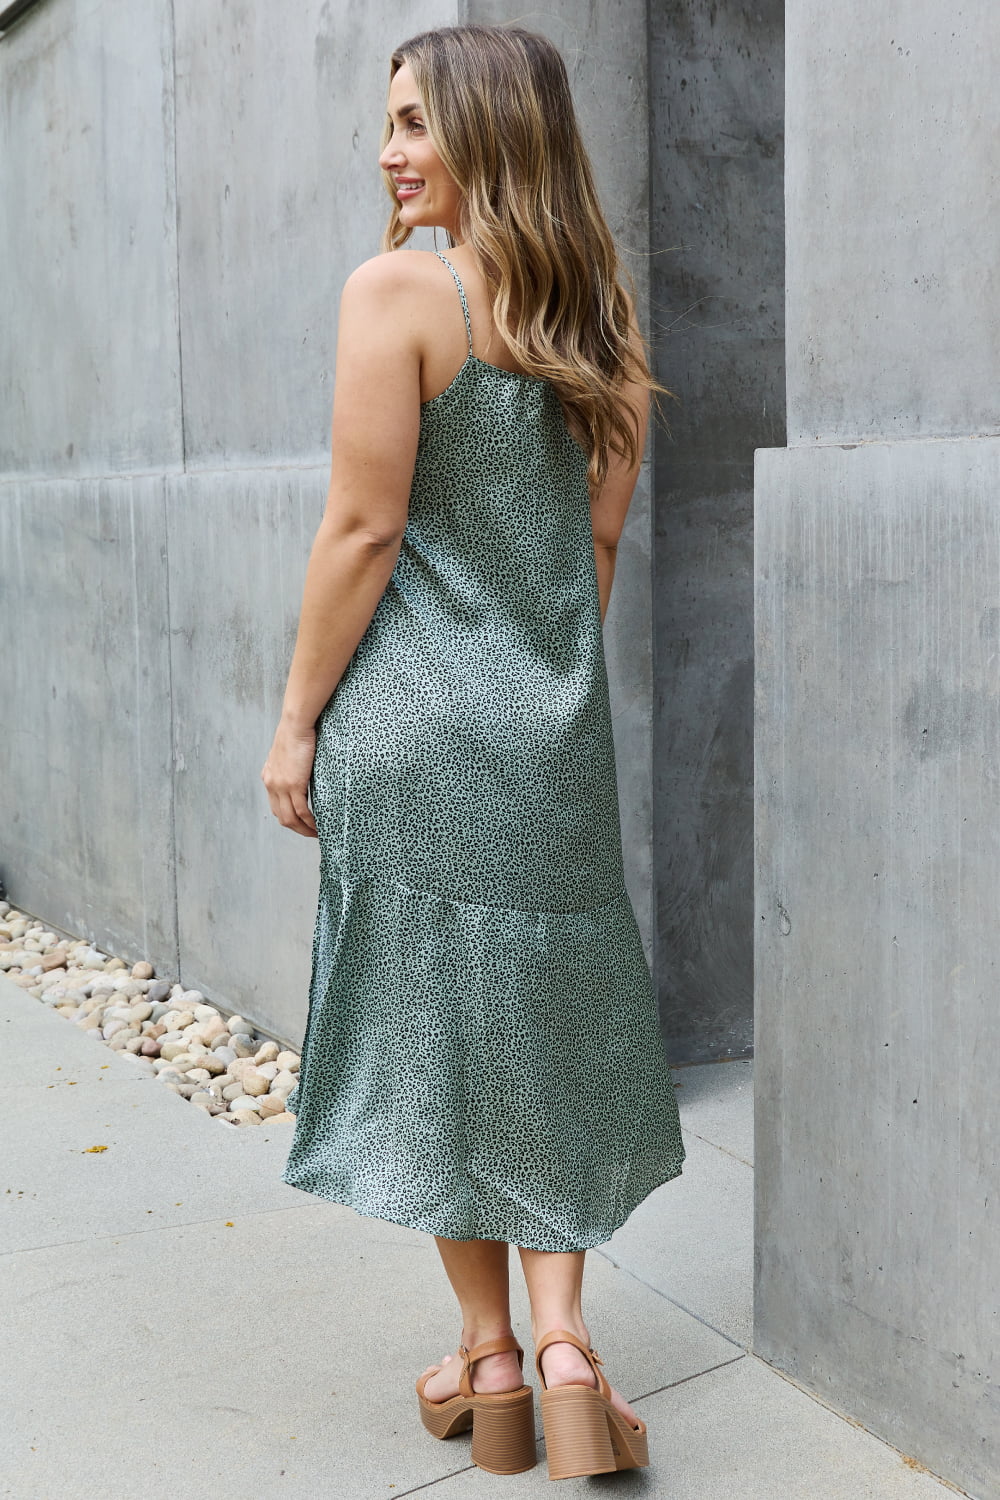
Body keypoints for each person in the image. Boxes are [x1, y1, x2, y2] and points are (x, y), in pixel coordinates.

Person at [261, 23, 685, 1482]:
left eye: (415, 123)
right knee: (551, 1017)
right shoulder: (606, 325)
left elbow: (363, 528)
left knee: (439, 1029)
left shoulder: (397, 292)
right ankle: (569, 1350)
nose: (389, 151)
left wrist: (297, 720)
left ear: (494, 131)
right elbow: (599, 547)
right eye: (389, 123)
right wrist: (537, 688)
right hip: (550, 732)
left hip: (409, 726)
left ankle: (491, 1357)